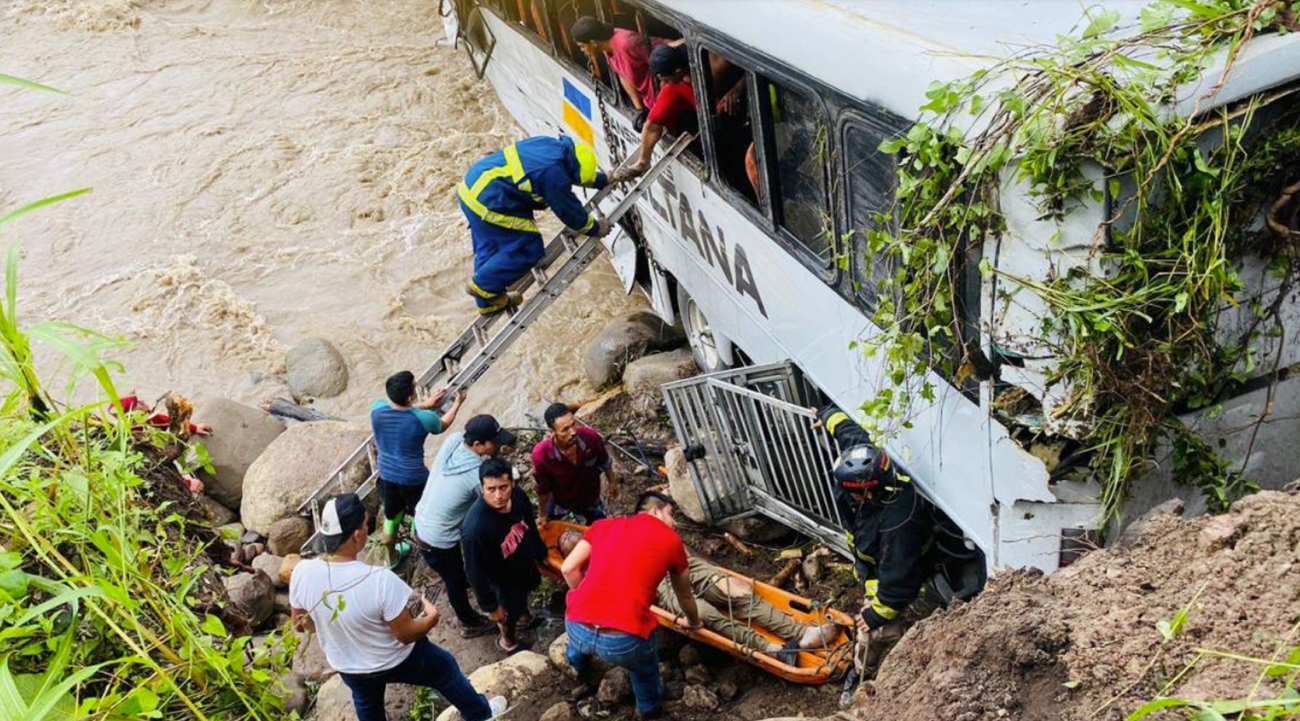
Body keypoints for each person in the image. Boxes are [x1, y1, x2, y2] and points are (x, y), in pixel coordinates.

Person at [289, 493, 507, 721]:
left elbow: (301, 625)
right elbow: (406, 634)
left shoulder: (302, 572)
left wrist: (337, 625)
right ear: (356, 535)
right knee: (445, 668)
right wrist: (433, 615)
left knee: (367, 703)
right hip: (395, 660)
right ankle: (481, 714)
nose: (367, 528)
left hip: (349, 667)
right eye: (366, 524)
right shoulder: (379, 579)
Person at [558, 531, 840, 665]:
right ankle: (774, 649)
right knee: (704, 614)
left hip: (670, 560)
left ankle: (801, 633)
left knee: (734, 590)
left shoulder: (609, 537)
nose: (570, 537)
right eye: (565, 543)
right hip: (656, 585)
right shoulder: (590, 571)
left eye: (573, 536)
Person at [561, 491, 702, 719]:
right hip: (623, 641)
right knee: (645, 669)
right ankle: (649, 710)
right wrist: (694, 622)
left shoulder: (602, 526)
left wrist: (583, 600)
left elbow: (568, 568)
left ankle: (581, 669)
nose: (674, 522)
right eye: (671, 514)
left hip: (576, 626)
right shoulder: (671, 540)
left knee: (579, 645)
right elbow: (685, 596)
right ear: (655, 511)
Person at [459, 135, 615, 315]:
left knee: (491, 246)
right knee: (528, 248)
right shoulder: (554, 176)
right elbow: (569, 213)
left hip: (472, 189)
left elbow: (574, 173)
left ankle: (487, 303)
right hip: (492, 201)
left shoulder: (552, 147)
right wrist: (596, 228)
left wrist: (603, 180)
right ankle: (483, 285)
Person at [412, 415, 517, 639]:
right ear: (477, 445)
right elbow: (500, 505)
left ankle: (467, 584)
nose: (497, 445)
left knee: (457, 572)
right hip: (437, 538)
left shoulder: (453, 440)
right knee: (455, 581)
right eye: (493, 442)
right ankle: (468, 622)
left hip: (421, 520)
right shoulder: (474, 476)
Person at [371, 371, 466, 554]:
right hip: (414, 479)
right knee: (421, 512)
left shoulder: (376, 410)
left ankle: (390, 554)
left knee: (391, 517)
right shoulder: (425, 419)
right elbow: (442, 425)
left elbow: (402, 409)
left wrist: (427, 404)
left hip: (386, 475)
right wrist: (457, 404)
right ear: (411, 396)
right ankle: (424, 548)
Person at [461, 457, 547, 654]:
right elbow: (474, 572)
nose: (498, 495)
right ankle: (508, 642)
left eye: (503, 487)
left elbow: (530, 525)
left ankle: (525, 619)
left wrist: (539, 551)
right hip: (500, 580)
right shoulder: (475, 529)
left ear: (512, 484)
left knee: (524, 595)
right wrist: (491, 606)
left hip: (522, 564)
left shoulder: (518, 497)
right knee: (507, 616)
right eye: (491, 489)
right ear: (482, 488)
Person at [532, 402, 618, 526]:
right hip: (561, 502)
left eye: (573, 424)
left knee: (599, 529)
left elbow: (604, 461)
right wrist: (542, 514)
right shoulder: (542, 456)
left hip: (590, 497)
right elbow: (542, 488)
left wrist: (612, 482)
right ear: (552, 432)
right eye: (565, 429)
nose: (573, 432)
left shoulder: (591, 438)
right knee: (553, 529)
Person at [570, 17, 661, 129]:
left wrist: (662, 103)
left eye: (582, 46)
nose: (582, 50)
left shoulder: (627, 44)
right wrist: (640, 108)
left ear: (593, 43)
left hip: (662, 99)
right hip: (651, 103)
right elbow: (623, 75)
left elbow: (660, 62)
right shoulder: (606, 48)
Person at [622, 45, 697, 178]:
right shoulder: (674, 83)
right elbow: (653, 123)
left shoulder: (701, 63)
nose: (664, 84)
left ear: (678, 71)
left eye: (667, 79)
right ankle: (643, 162)